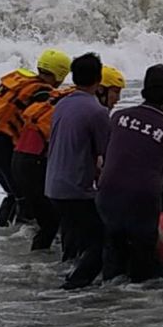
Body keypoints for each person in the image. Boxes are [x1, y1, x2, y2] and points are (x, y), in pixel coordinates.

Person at [11, 64, 124, 252]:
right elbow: (103, 155)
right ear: (100, 87)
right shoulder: (94, 111)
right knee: (66, 227)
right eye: (116, 92)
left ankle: (48, 265)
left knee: (55, 225)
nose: (118, 100)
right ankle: (64, 272)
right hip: (38, 164)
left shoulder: (65, 101)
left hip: (24, 160)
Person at [94, 65, 163, 284]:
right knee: (142, 262)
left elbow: (108, 155)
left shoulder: (118, 117)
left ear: (143, 91)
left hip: (107, 194)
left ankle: (109, 289)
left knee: (113, 250)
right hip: (143, 200)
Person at [0, 48, 71, 227]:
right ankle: (21, 238)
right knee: (24, 196)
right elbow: (38, 125)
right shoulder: (40, 94)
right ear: (60, 74)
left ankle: (2, 233)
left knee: (14, 193)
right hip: (3, 148)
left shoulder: (22, 82)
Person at [43, 52, 111, 284]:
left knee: (73, 242)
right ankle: (73, 289)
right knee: (101, 243)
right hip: (76, 190)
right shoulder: (97, 111)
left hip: (52, 186)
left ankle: (66, 282)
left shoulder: (61, 104)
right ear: (99, 79)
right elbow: (107, 154)